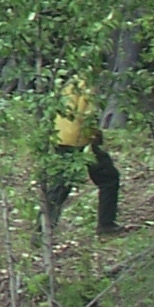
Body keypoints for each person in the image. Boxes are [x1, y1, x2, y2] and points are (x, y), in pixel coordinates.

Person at [39, 74, 123, 237]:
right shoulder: (88, 84)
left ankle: (42, 232)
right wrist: (95, 137)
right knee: (109, 178)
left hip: (60, 137)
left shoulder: (70, 82)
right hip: (78, 139)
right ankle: (106, 225)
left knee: (59, 187)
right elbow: (87, 115)